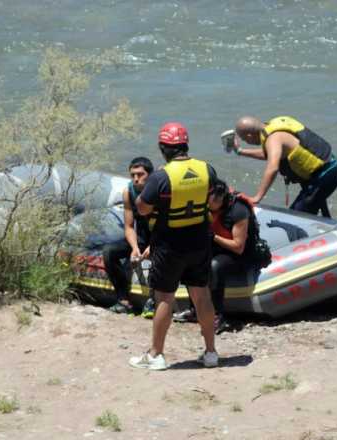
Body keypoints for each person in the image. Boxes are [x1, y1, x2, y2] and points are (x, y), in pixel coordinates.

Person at [129, 122, 219, 370]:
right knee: (202, 295)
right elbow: (213, 200)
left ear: (163, 148)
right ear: (185, 145)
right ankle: (211, 353)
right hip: (200, 240)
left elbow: (143, 208)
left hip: (170, 243)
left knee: (164, 297)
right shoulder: (206, 169)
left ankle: (156, 355)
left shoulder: (161, 176)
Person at [173, 179, 261, 334]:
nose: (205, 204)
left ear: (220, 198)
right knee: (189, 260)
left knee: (215, 266)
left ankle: (218, 316)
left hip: (238, 255)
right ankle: (195, 309)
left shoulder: (238, 210)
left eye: (209, 201)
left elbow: (238, 247)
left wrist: (213, 237)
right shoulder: (203, 207)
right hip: (215, 247)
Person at [224, 116, 337, 218]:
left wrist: (257, 197)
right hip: (327, 167)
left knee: (296, 217)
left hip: (324, 176)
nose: (246, 142)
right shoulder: (272, 128)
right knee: (314, 202)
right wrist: (240, 151)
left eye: (244, 139)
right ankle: (328, 220)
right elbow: (271, 154)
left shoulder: (273, 139)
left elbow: (272, 168)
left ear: (249, 135)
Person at [102, 157, 157, 317]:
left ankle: (153, 302)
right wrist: (134, 248)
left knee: (155, 264)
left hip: (161, 238)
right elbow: (128, 226)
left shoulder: (160, 192)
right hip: (140, 238)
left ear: (150, 175)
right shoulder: (128, 192)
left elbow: (167, 226)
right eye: (132, 175)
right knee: (109, 252)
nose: (135, 179)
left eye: (140, 174)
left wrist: (152, 247)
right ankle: (124, 300)